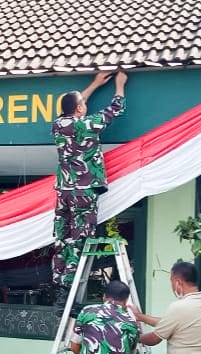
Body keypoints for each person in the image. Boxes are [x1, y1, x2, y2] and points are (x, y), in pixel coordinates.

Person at [52, 70, 128, 309]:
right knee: (78, 242)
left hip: (64, 191)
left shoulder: (58, 126)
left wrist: (94, 84)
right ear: (81, 109)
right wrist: (120, 84)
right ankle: (67, 293)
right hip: (84, 191)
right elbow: (116, 108)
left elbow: (69, 109)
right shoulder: (87, 124)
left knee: (61, 240)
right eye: (83, 103)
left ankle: (57, 288)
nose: (85, 104)